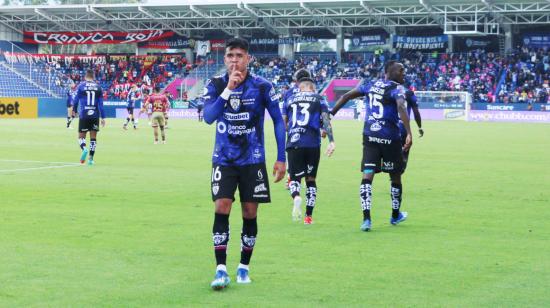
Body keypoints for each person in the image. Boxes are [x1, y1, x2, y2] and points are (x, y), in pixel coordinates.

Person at [203, 38, 286, 290]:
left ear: (248, 58)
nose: (235, 60)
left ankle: (243, 267)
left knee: (250, 213)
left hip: (253, 159)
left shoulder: (262, 86)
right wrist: (228, 89)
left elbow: (278, 121)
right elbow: (208, 117)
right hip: (224, 158)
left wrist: (281, 158)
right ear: (225, 59)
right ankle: (220, 270)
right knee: (222, 206)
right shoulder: (216, 84)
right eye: (230, 56)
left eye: (240, 55)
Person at [331, 60, 412, 232]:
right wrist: (409, 132)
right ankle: (395, 215)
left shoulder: (370, 85)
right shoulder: (396, 89)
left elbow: (345, 96)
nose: (403, 73)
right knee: (395, 176)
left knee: (367, 175)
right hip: (390, 138)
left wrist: (330, 115)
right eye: (401, 70)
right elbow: (401, 107)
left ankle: (366, 220)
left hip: (370, 136)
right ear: (392, 72)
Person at [283, 76, 335, 224]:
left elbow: (285, 124)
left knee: (294, 178)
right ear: (312, 88)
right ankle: (308, 217)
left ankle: (296, 196)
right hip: (312, 143)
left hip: (294, 142)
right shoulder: (319, 98)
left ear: (300, 88)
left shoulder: (290, 98)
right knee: (311, 179)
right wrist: (331, 140)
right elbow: (326, 119)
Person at [72, 69, 105, 165]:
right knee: (93, 137)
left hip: (84, 114)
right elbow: (101, 104)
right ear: (93, 77)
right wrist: (103, 117)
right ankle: (90, 159)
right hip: (95, 115)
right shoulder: (98, 87)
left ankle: (84, 148)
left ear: (85, 77)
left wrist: (74, 110)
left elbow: (75, 100)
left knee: (81, 136)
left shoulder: (81, 86)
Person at [400, 89, 423, 173]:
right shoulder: (409, 93)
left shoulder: (390, 90)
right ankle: (397, 180)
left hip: (389, 128)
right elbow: (416, 112)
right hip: (403, 128)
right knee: (404, 155)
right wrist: (419, 127)